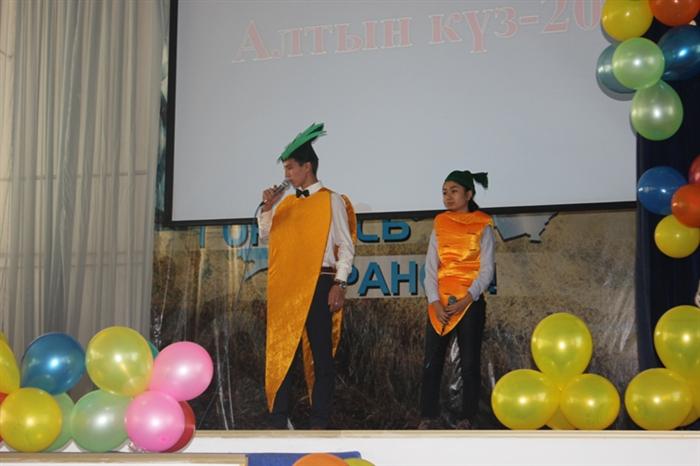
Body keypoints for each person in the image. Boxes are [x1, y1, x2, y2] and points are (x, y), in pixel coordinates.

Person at [257, 123, 355, 429]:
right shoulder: (285, 204)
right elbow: (265, 235)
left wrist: (339, 283)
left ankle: (319, 420)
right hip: (287, 284)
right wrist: (268, 207)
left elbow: (346, 245)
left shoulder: (331, 199)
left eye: (290, 168)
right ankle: (278, 417)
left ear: (307, 167)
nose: (286, 175)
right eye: (285, 169)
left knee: (321, 354)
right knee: (282, 349)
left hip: (318, 281)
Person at [418, 170, 495, 430]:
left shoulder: (483, 223)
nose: (448, 197)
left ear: (468, 194)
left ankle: (467, 417)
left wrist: (468, 298)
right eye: (444, 192)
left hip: (470, 303)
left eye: (454, 191)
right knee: (432, 361)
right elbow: (431, 268)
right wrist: (434, 302)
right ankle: (428, 416)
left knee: (470, 362)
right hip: (440, 303)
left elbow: (487, 270)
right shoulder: (440, 223)